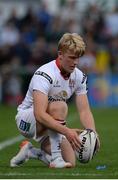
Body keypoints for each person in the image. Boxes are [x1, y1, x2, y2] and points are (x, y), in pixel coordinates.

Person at [10, 33, 100, 168]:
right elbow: (39, 114)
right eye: (72, 57)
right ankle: (56, 159)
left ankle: (32, 152)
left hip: (48, 121)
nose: (75, 62)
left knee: (71, 162)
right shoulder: (45, 74)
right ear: (60, 54)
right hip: (27, 119)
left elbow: (84, 111)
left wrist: (92, 133)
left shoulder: (79, 77)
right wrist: (66, 131)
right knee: (60, 106)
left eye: (78, 58)